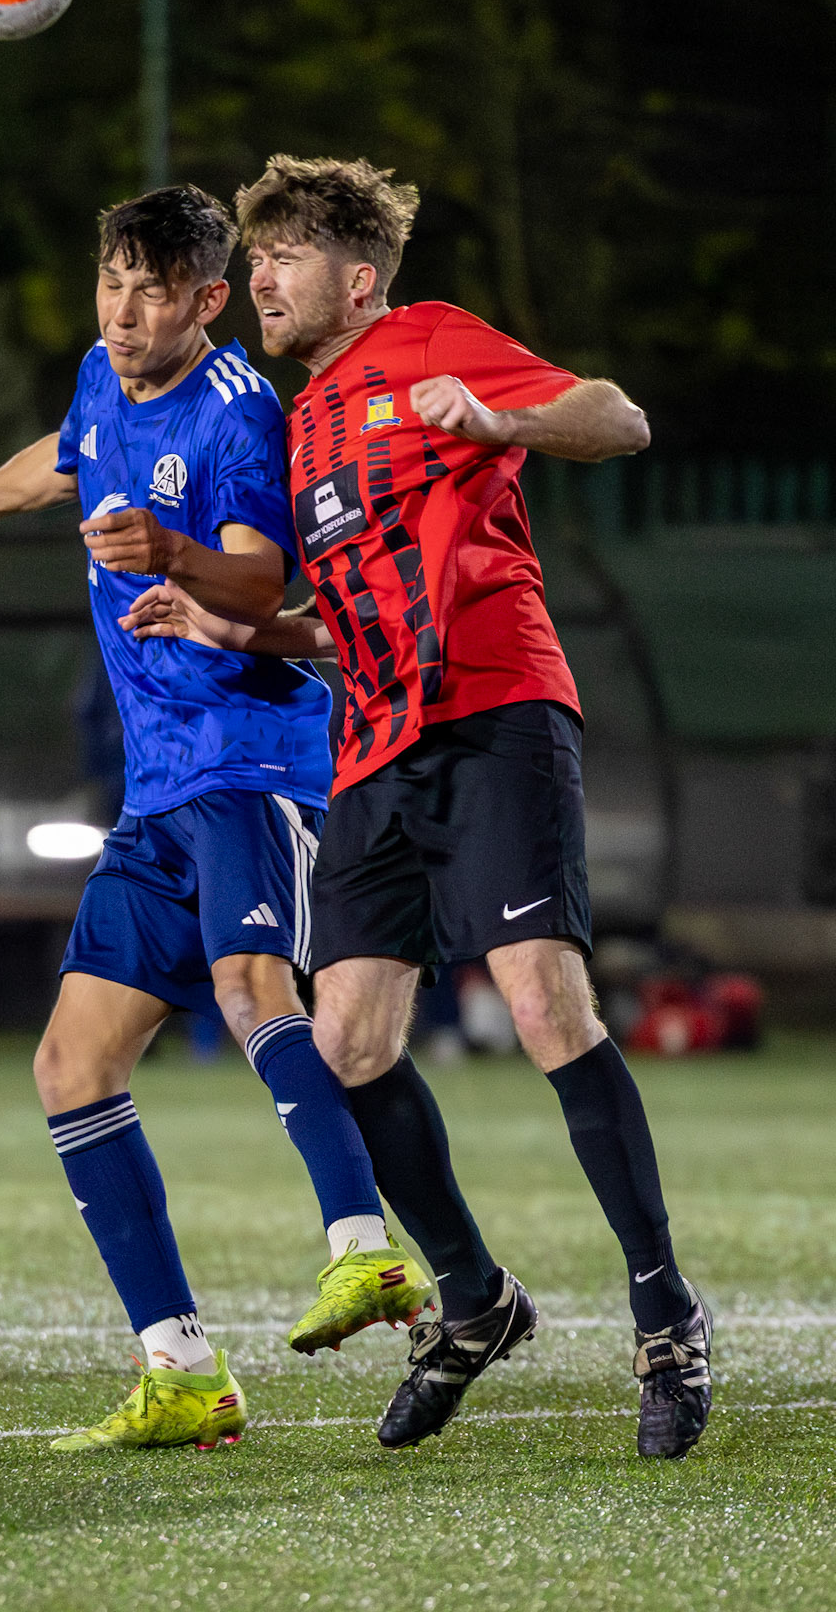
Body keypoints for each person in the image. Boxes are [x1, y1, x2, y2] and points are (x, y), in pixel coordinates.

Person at [125, 157, 712, 1459]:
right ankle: (476, 1297)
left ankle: (665, 1312)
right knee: (346, 1043)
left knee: (542, 999)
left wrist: (501, 419)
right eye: (257, 258)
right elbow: (338, 621)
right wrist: (233, 624)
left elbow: (618, 419)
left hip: (495, 708)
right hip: (376, 746)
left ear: (359, 279)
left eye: (284, 256)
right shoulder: (304, 423)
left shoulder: (429, 339)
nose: (261, 279)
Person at [0, 184, 427, 1453]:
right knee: (70, 1065)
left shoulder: (239, 413)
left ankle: (364, 1246)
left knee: (248, 982)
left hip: (254, 757)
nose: (123, 314)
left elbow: (261, 578)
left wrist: (169, 553)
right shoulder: (101, 374)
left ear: (208, 300)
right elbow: (63, 455)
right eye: (111, 285)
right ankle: (180, 1369)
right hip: (159, 781)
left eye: (152, 292)